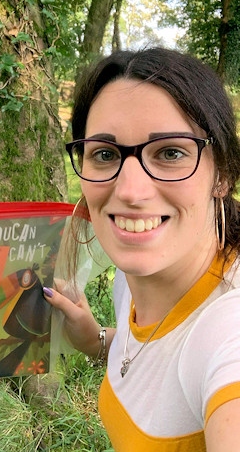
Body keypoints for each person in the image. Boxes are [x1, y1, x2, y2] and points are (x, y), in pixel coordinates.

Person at [43, 47, 240, 451]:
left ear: (223, 174)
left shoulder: (229, 332)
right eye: (104, 154)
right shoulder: (131, 279)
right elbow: (156, 351)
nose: (130, 191)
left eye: (170, 152)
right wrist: (95, 339)